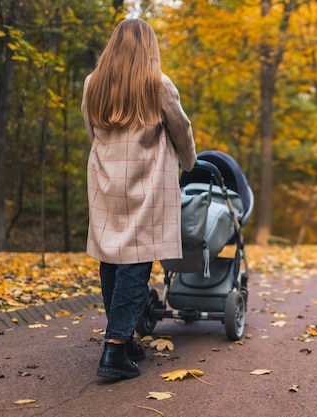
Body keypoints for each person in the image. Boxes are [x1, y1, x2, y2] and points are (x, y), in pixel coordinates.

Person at [81, 18, 197, 380]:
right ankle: (114, 348)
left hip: (105, 179)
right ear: (149, 47)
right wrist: (189, 161)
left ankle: (126, 338)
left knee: (111, 255)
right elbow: (181, 129)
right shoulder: (157, 85)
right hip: (145, 180)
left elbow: (91, 129)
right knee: (137, 259)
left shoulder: (92, 83)